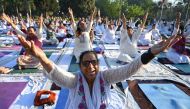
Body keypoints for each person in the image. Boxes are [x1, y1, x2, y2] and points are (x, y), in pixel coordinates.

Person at [17, 24, 180, 108]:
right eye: (86, 63)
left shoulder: (106, 76)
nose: (91, 67)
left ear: (98, 65)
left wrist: (150, 52)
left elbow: (129, 69)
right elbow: (57, 72)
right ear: (80, 67)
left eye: (94, 62)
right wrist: (40, 56)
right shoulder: (75, 80)